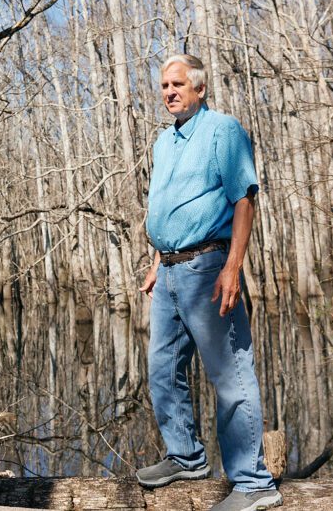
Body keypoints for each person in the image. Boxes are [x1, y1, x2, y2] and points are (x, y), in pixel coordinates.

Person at [135, 55, 282, 511]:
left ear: (199, 88)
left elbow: (243, 200)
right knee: (162, 370)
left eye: (177, 84)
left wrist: (233, 266)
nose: (169, 92)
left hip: (208, 268)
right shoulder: (165, 141)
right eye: (163, 85)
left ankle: (254, 483)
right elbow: (171, 203)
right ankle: (186, 457)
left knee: (230, 375)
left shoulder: (223, 130)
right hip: (171, 271)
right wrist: (159, 260)